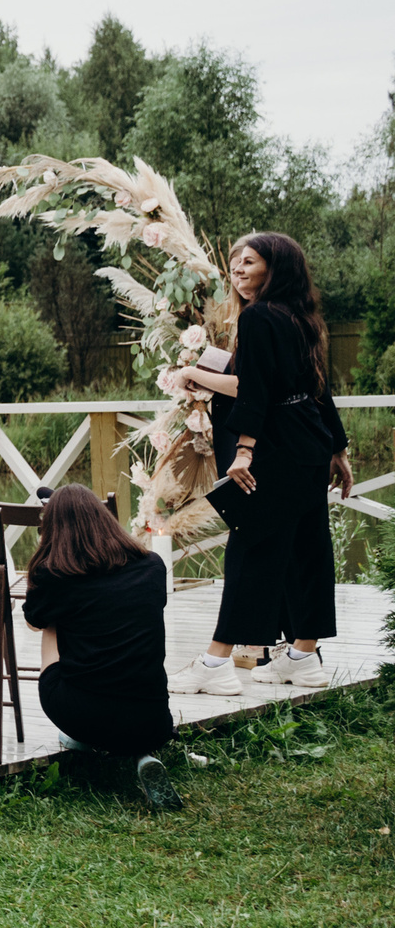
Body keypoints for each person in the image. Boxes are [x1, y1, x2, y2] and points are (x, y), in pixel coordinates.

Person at [170, 232, 354, 696]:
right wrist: (338, 448)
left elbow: (256, 391)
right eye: (235, 261)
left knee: (250, 549)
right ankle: (303, 656)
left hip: (274, 450)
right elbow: (317, 388)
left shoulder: (257, 317)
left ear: (277, 267)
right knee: (308, 550)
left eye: (249, 261)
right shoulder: (302, 317)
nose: (238, 268)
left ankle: (214, 664)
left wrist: (244, 450)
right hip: (309, 444)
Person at [22, 486, 179, 807]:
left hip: (84, 716)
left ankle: (84, 738)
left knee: (51, 621)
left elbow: (33, 621)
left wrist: (44, 559)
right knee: (123, 633)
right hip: (155, 720)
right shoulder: (152, 566)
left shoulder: (54, 574)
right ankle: (141, 756)